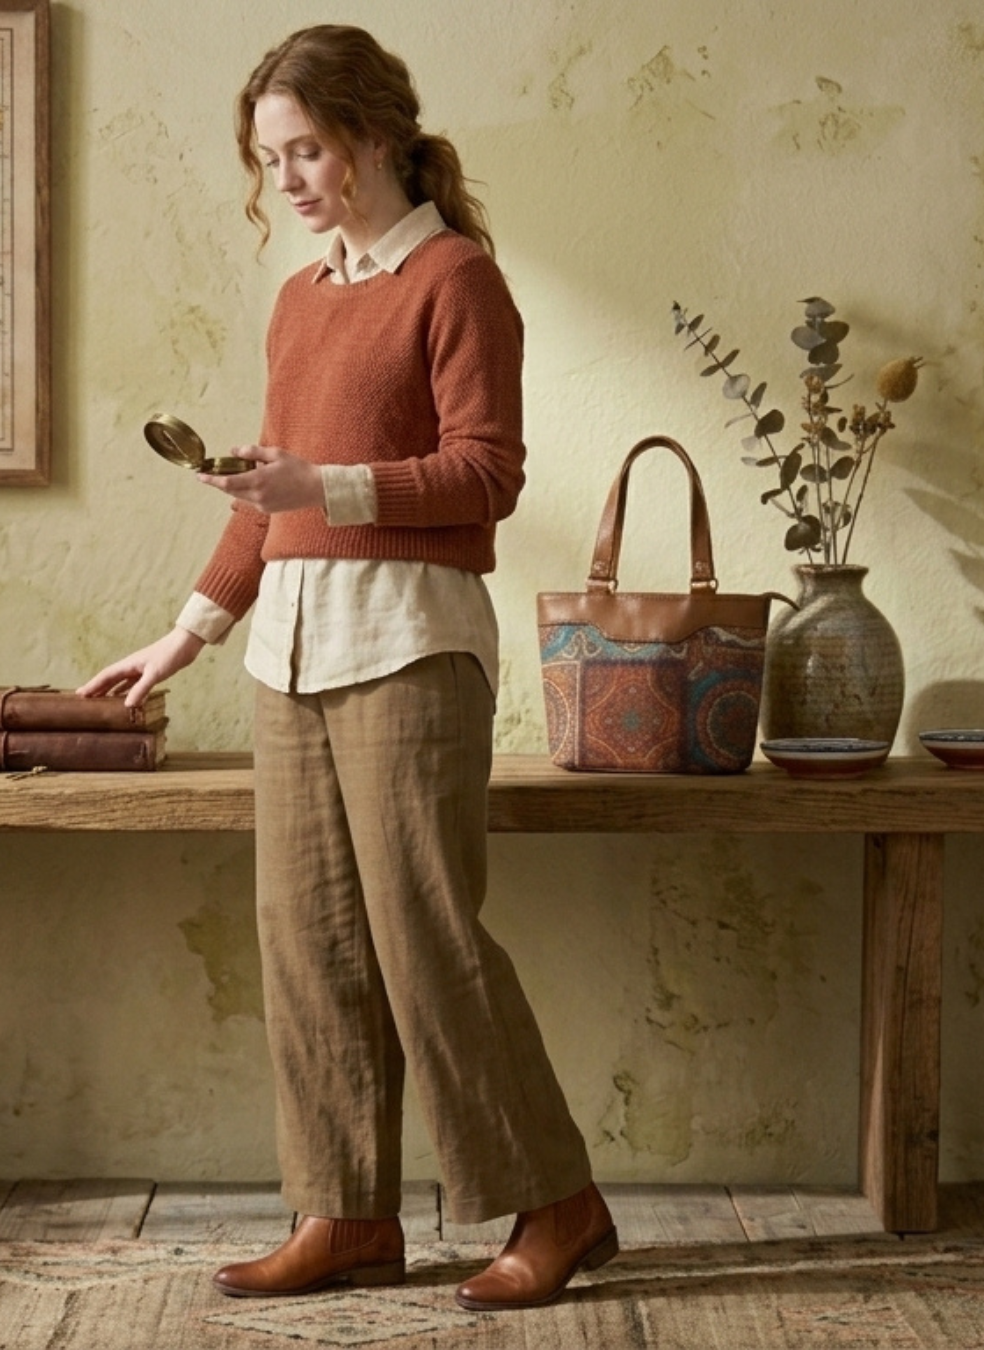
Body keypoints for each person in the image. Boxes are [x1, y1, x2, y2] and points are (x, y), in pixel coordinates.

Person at [78, 24, 616, 1312]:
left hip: (411, 646)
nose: (289, 180)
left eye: (307, 149)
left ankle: (559, 1201)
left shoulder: (456, 280)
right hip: (290, 653)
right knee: (305, 937)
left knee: (425, 937)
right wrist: (184, 634)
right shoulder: (301, 299)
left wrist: (325, 481)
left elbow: (489, 475)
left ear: (375, 135)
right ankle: (345, 1213)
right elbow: (267, 502)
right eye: (270, 160)